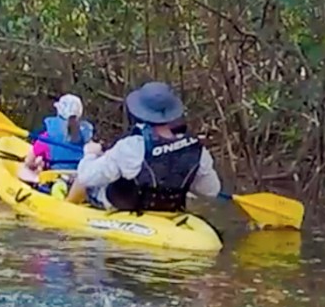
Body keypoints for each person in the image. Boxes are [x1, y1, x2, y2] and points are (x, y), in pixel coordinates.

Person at [67, 81, 220, 212]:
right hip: (170, 209)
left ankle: (67, 208)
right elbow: (211, 191)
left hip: (127, 208)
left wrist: (90, 154)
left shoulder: (131, 147)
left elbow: (86, 176)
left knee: (83, 178)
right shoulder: (197, 149)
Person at [22, 94, 93, 183]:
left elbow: (28, 161)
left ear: (58, 112)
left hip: (53, 177)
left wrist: (36, 164)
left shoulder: (47, 136)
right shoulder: (86, 137)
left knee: (23, 170)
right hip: (78, 178)